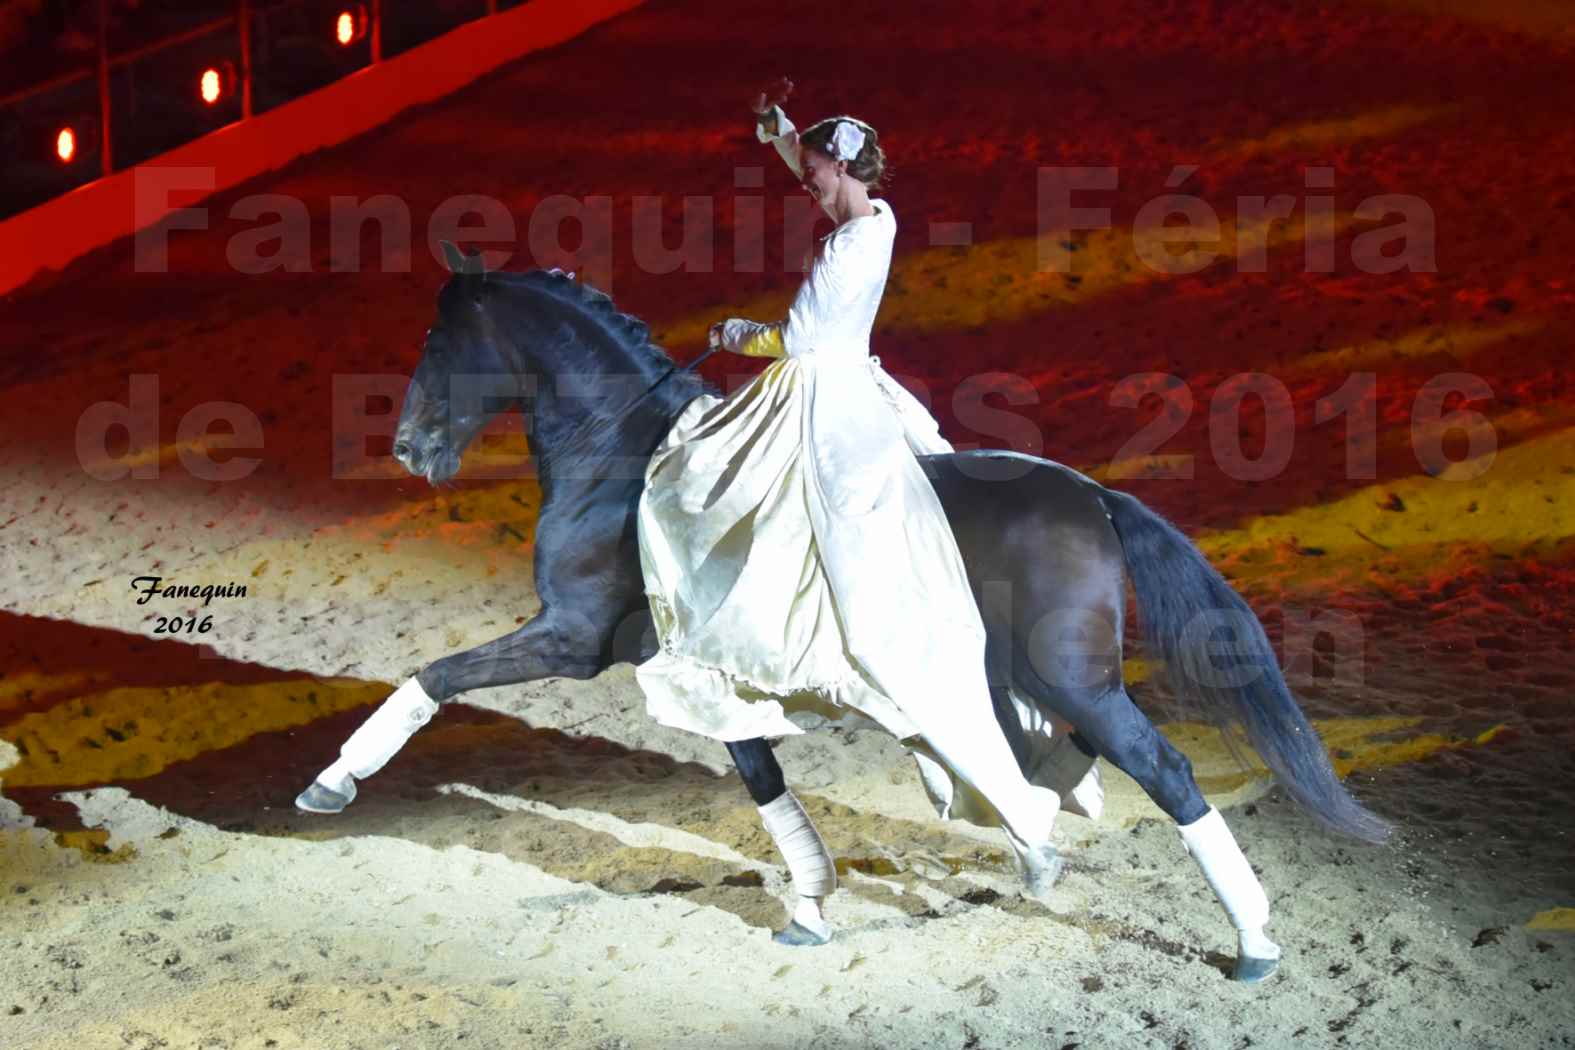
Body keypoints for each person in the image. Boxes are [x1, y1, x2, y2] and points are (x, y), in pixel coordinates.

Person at [633, 77, 1073, 944]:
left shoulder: (844, 251)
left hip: (821, 395)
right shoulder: (876, 216)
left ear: (843, 171)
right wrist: (778, 131)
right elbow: (806, 160)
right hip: (851, 381)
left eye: (813, 179)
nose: (806, 189)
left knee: (700, 475)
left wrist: (733, 334)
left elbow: (796, 342)